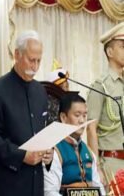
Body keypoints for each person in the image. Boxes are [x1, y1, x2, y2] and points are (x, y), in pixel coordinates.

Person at [0, 30, 54, 196]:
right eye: (31, 60)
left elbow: (44, 131)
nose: (35, 67)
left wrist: (49, 153)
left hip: (35, 185)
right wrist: (21, 156)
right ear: (17, 54)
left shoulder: (41, 91)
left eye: (39, 61)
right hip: (8, 184)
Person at [86, 22, 124, 190]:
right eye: (123, 47)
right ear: (110, 52)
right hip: (110, 163)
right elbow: (91, 129)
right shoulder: (100, 86)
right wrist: (97, 169)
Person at [44, 93, 105, 196]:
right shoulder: (53, 151)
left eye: (85, 115)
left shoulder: (89, 152)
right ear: (63, 117)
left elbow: (99, 188)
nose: (82, 120)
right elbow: (49, 192)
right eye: (77, 115)